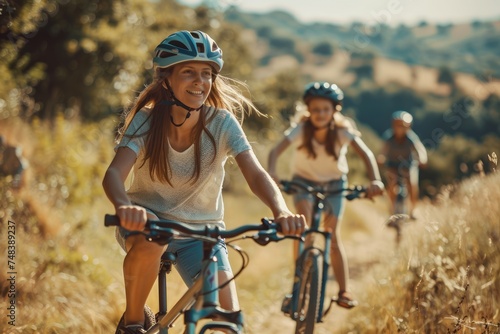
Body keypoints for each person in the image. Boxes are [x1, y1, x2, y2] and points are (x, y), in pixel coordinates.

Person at [102, 30, 306, 334]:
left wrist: (281, 210)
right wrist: (124, 207)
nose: (200, 81)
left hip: (203, 234)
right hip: (148, 223)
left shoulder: (222, 123)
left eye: (207, 74)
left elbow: (256, 173)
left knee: (225, 320)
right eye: (188, 72)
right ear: (166, 79)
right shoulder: (147, 120)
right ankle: (132, 323)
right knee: (150, 241)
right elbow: (114, 174)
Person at [267, 81, 384, 309]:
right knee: (304, 226)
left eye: (325, 109)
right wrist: (272, 173)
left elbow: (367, 155)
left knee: (332, 234)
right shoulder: (300, 130)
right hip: (303, 182)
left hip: (334, 184)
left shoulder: (342, 132)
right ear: (308, 110)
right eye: (315, 109)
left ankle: (344, 291)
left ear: (335, 111)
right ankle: (298, 287)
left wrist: (375, 180)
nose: (320, 114)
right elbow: (275, 151)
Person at [377, 111, 428, 220]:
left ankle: (413, 210)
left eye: (403, 126)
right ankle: (391, 210)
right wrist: (381, 158)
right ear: (393, 126)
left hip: (408, 166)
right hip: (392, 166)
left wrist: (422, 159)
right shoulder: (389, 137)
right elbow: (383, 150)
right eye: (397, 125)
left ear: (408, 127)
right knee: (391, 185)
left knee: (412, 184)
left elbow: (420, 149)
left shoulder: (411, 137)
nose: (400, 128)